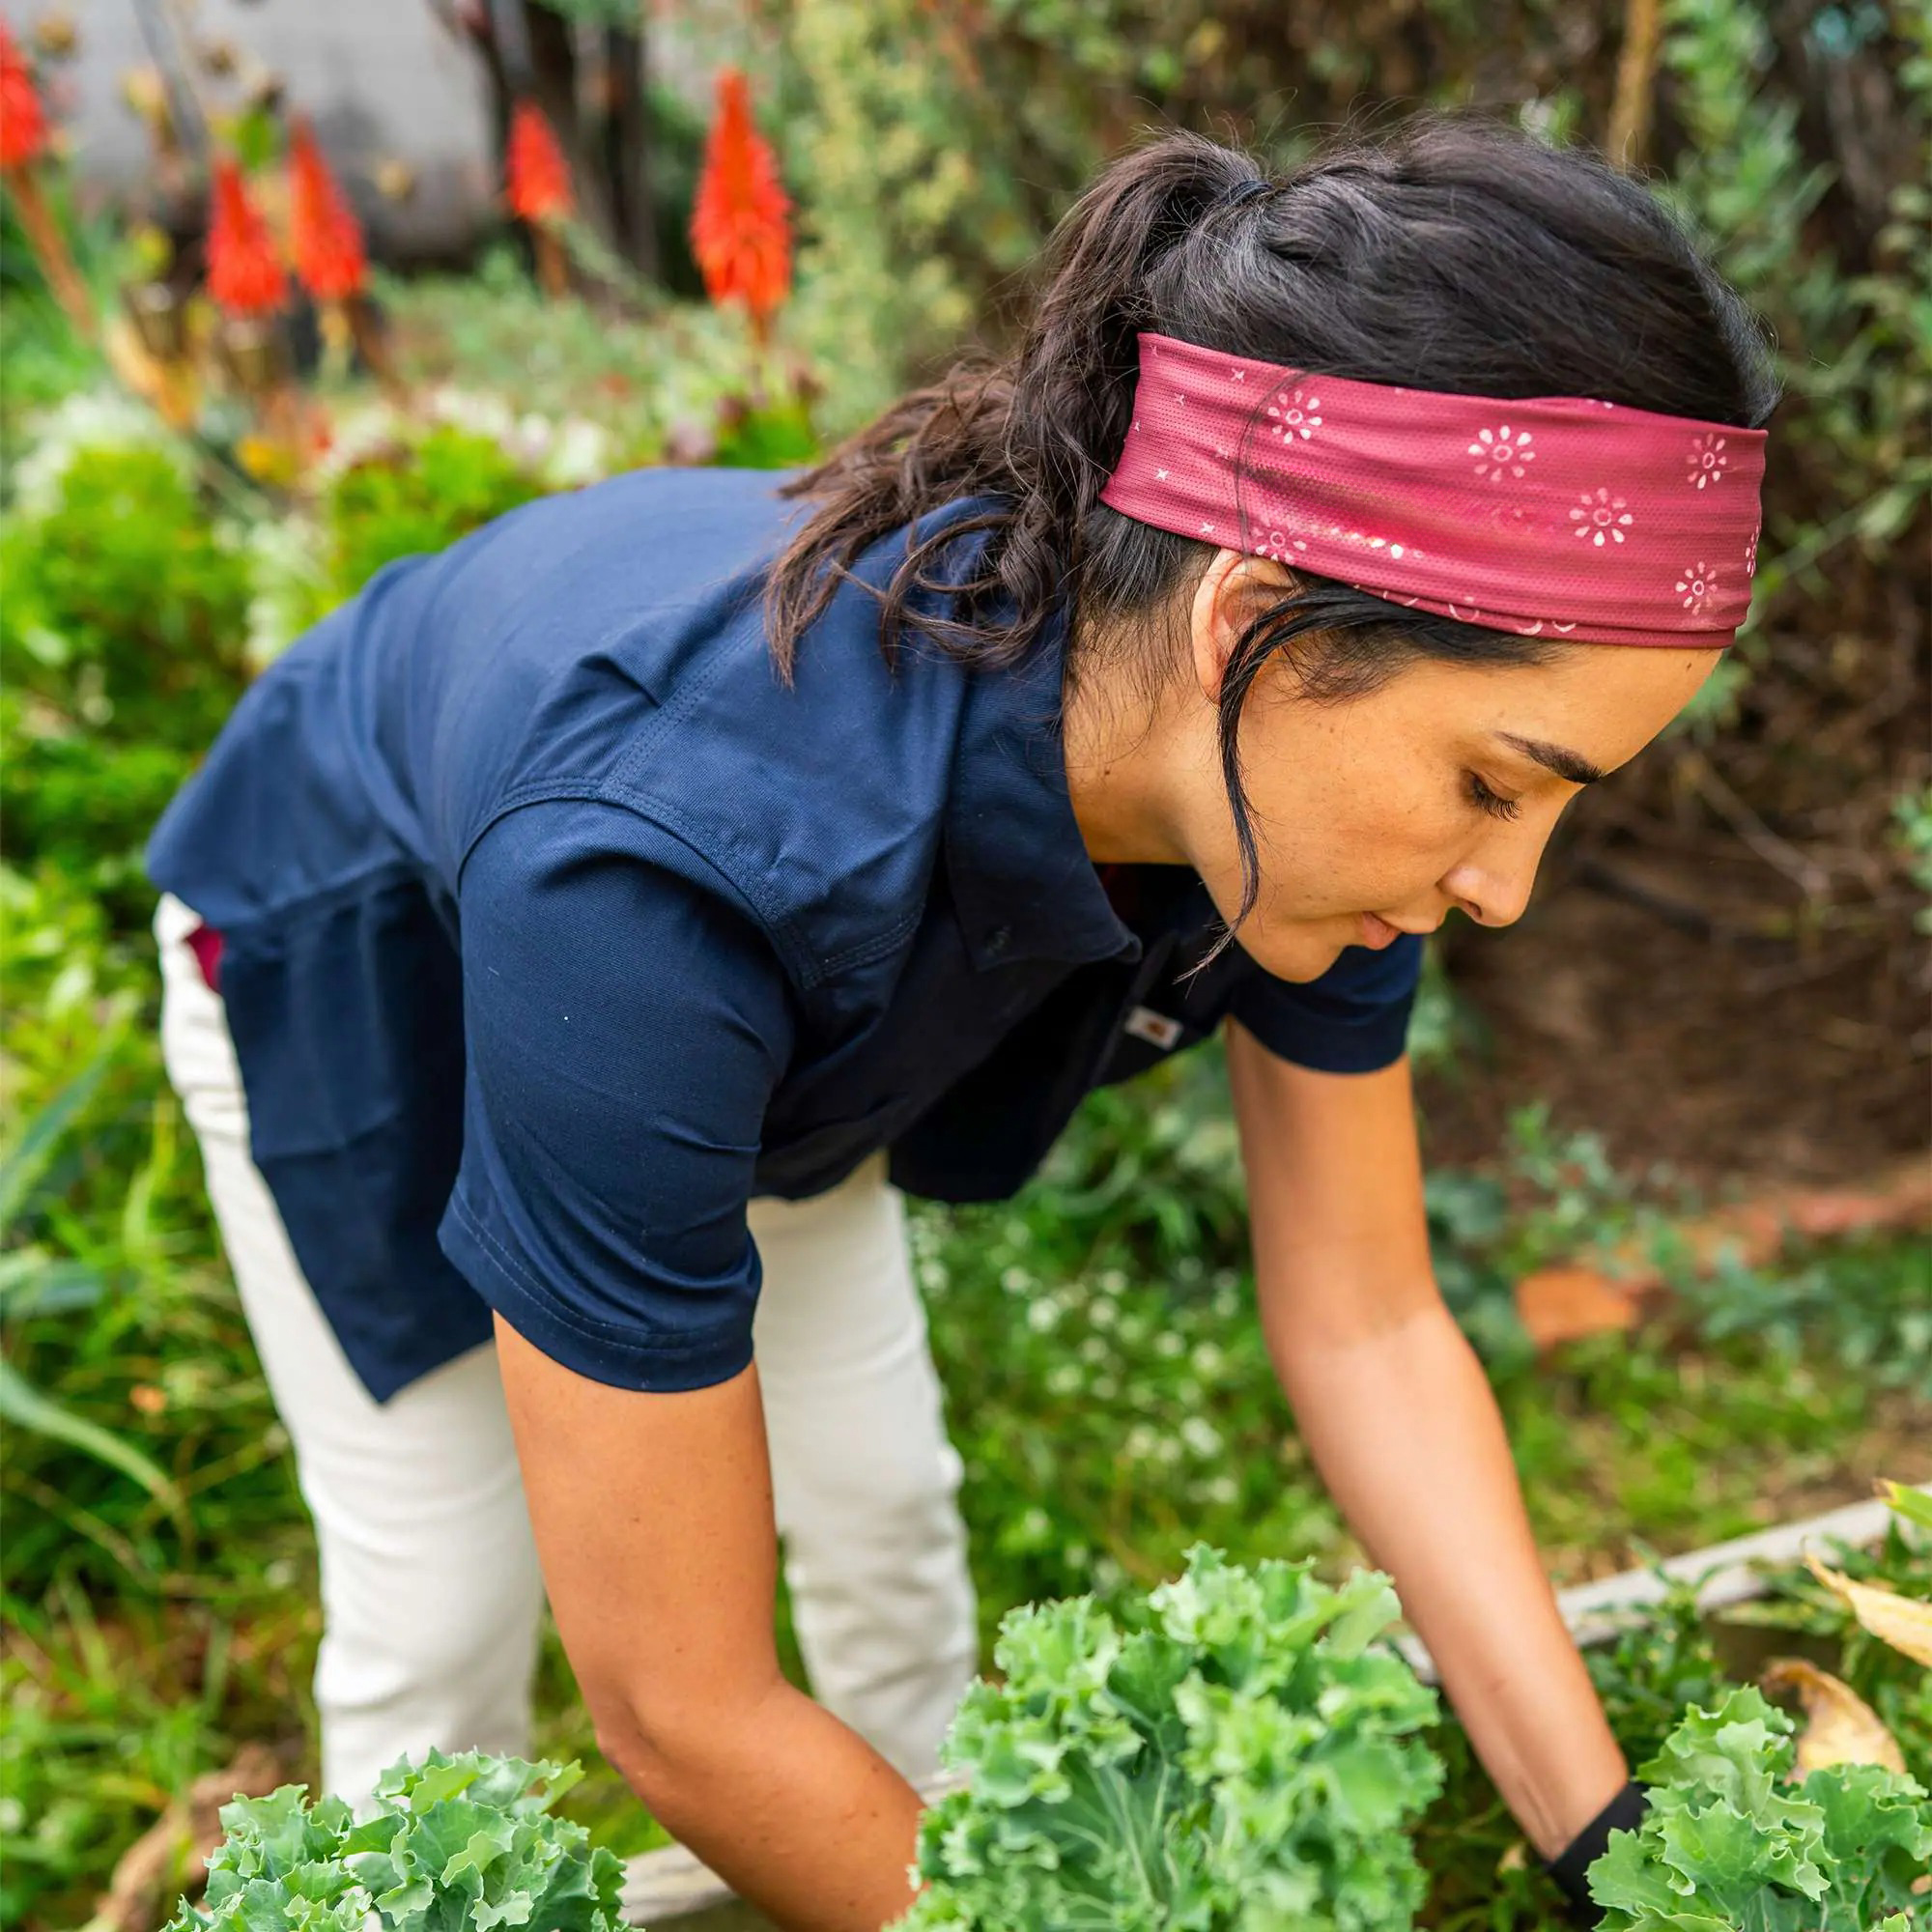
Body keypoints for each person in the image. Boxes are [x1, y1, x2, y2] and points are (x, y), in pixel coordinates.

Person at [149, 115, 1773, 1929]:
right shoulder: (666, 884)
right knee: (448, 1604)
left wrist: (1621, 1860)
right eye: (1494, 782)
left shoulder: (1298, 800)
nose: (1504, 887)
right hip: (378, 951)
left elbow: (1373, 1325)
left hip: (768, 1001)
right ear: (1259, 629)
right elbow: (679, 1708)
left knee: (884, 1512)